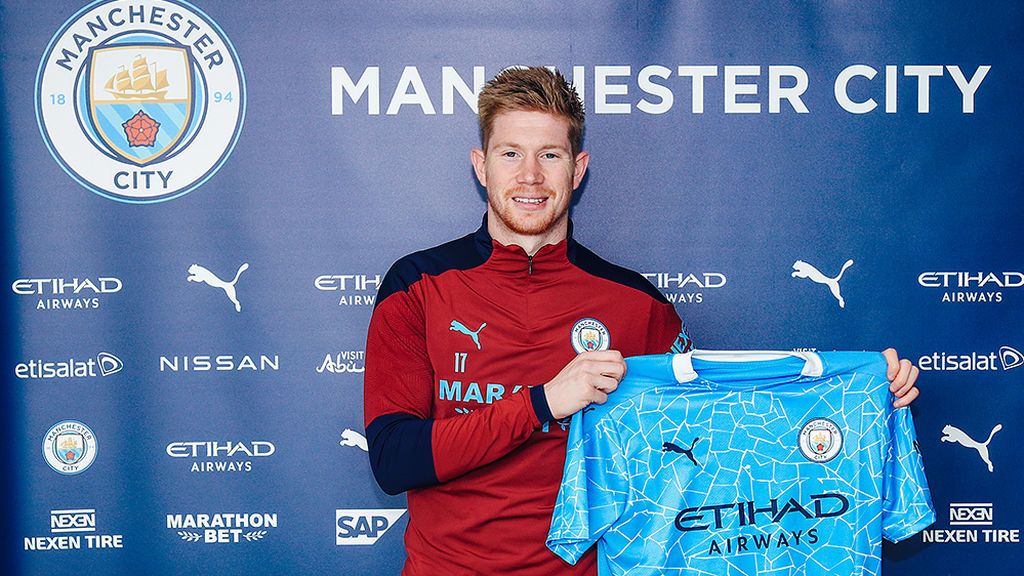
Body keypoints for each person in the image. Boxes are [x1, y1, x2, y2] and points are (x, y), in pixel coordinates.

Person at [363, 66, 920, 576]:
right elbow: (393, 460)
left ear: (577, 169)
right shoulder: (416, 286)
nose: (530, 176)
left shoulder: (638, 305)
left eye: (550, 156)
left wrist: (864, 396)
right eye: (510, 154)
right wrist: (542, 403)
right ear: (481, 165)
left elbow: (721, 439)